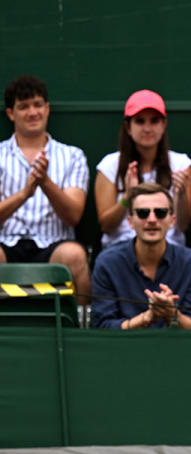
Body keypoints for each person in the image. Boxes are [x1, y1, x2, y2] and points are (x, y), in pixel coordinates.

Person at [0, 74, 90, 304]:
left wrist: (46, 183)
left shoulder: (72, 156)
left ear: (47, 109)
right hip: (6, 244)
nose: (33, 113)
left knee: (75, 255)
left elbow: (73, 216)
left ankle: (79, 330)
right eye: (24, 107)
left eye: (38, 105)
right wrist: (24, 194)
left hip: (54, 244)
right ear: (11, 113)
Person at [91, 183, 191, 329]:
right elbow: (101, 327)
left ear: (172, 221)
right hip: (122, 349)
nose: (152, 219)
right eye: (143, 213)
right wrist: (145, 319)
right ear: (130, 221)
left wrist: (171, 313)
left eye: (161, 212)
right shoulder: (107, 262)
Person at [94, 90, 191, 249]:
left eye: (154, 121)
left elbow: (183, 225)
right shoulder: (109, 165)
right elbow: (106, 226)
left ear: (164, 125)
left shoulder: (181, 164)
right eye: (140, 121)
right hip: (121, 248)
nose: (147, 128)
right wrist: (128, 196)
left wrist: (180, 196)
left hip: (170, 248)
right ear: (128, 127)